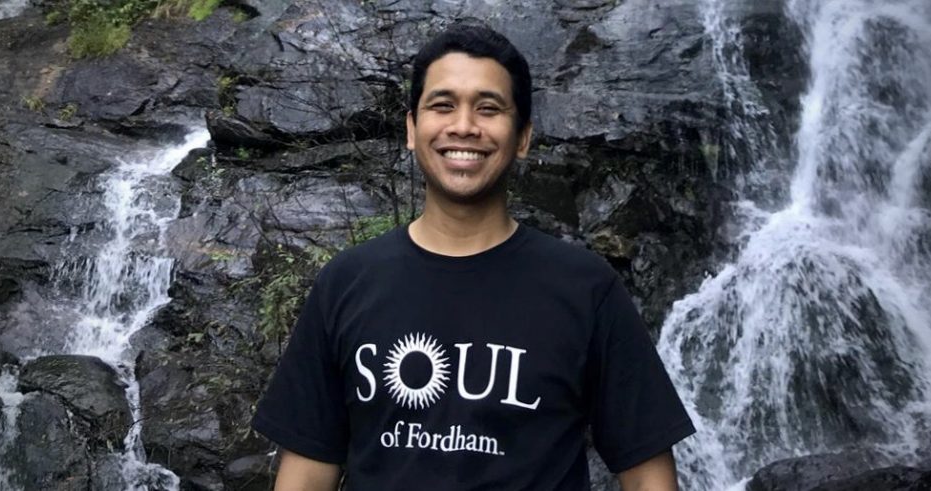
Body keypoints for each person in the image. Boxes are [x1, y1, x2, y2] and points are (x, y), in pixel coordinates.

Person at [251, 24, 696, 490]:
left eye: (489, 108)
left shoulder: (585, 287)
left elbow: (649, 476)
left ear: (522, 136)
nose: (463, 126)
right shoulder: (346, 282)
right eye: (442, 105)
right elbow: (305, 475)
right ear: (411, 128)